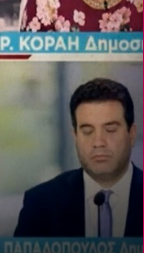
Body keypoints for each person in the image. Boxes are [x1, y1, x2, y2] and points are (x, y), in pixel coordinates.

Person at [14, 78, 143, 237]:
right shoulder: (40, 204)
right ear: (75, 136)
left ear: (132, 134)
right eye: (87, 131)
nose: (98, 142)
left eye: (110, 129)